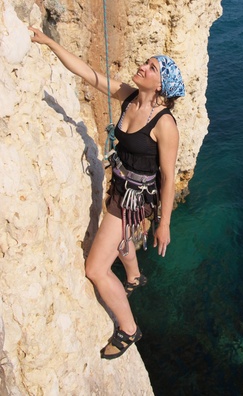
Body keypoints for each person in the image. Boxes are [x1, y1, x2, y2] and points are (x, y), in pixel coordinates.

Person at [29, 26, 185, 359]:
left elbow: (169, 179)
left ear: (161, 85)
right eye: (145, 62)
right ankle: (134, 275)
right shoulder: (128, 96)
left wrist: (164, 224)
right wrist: (48, 41)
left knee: (96, 269)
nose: (143, 66)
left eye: (152, 67)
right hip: (119, 187)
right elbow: (89, 75)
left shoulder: (165, 124)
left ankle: (129, 329)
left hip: (133, 202)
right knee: (120, 241)